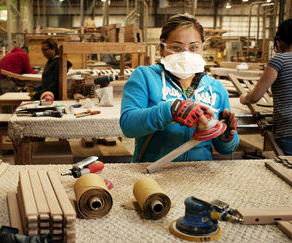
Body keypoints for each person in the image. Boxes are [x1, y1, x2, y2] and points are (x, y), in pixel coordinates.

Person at [120, 14, 239, 163]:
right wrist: (170, 110)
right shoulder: (145, 77)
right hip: (154, 172)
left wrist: (226, 136)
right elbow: (128, 126)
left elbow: (226, 150)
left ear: (202, 48)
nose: (186, 54)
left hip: (199, 174)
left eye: (194, 47)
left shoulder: (216, 88)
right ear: (161, 49)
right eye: (176, 47)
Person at [240, 19, 292, 155]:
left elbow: (255, 97)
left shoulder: (280, 60)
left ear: (280, 40)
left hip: (288, 129)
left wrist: (243, 99)